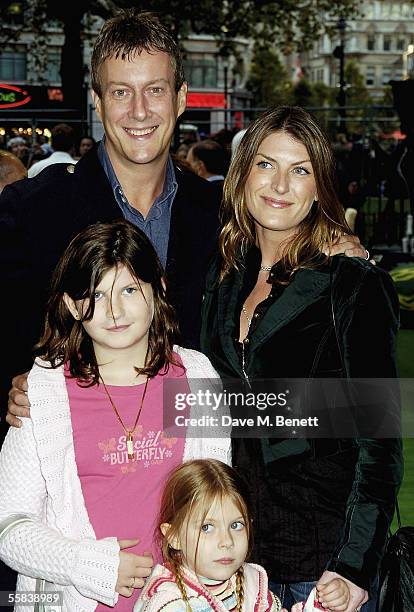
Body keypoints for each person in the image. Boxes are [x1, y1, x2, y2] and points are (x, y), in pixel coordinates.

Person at [200, 106, 403, 612]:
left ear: (319, 188)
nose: (280, 186)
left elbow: (379, 441)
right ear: (243, 174)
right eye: (267, 165)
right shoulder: (222, 277)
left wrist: (354, 565)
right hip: (235, 562)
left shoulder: (351, 285)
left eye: (300, 170)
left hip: (322, 564)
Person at [0, 219, 230, 611]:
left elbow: (216, 505)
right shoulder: (43, 393)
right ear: (73, 305)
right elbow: (10, 529)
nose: (115, 310)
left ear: (158, 289)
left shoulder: (194, 377)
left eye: (128, 289)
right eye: (97, 294)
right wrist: (92, 565)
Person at [135, 459, 287, 611]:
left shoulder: (252, 582)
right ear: (174, 536)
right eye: (206, 527)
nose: (227, 541)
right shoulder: (169, 603)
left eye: (236, 525)